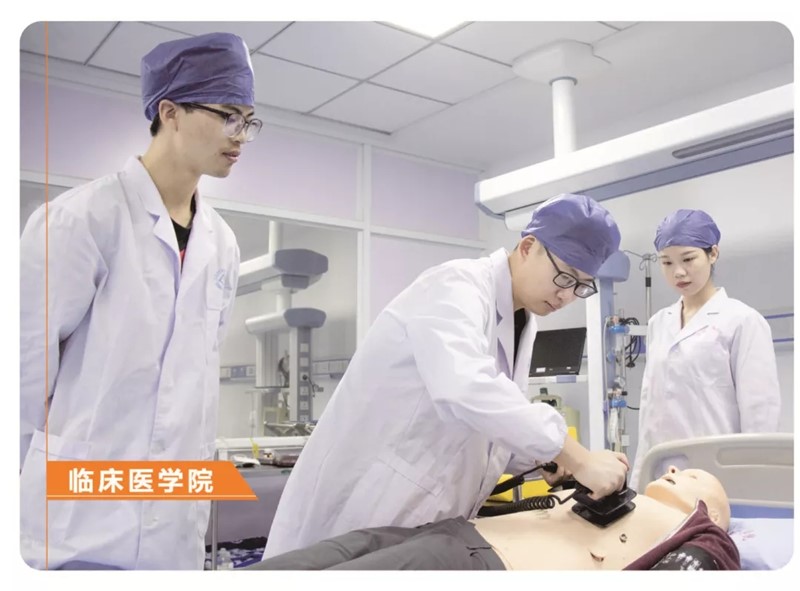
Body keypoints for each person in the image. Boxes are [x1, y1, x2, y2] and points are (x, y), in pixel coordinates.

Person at [263, 193, 630, 560]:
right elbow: (466, 389)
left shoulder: (521, 321)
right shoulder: (456, 286)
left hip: (424, 523)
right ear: (527, 247)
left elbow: (481, 433)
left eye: (581, 286)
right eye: (564, 276)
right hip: (368, 505)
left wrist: (541, 459)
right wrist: (575, 456)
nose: (566, 296)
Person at [19, 32, 261, 570]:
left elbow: (196, 383)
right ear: (169, 112)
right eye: (228, 115)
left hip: (174, 527)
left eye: (249, 121)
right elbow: (21, 373)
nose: (241, 135)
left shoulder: (221, 244)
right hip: (78, 523)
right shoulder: (82, 220)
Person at [248, 467, 740, 570]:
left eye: (692, 474)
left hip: (482, 562)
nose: (673, 470)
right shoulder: (627, 498)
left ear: (714, 512)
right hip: (454, 533)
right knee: (311, 561)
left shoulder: (705, 537)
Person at [630, 210, 781, 490]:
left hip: (719, 477)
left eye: (688, 259)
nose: (678, 272)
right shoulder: (658, 323)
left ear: (713, 254)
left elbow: (759, 414)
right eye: (667, 262)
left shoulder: (742, 320)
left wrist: (753, 484)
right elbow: (650, 410)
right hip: (662, 476)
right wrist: (639, 479)